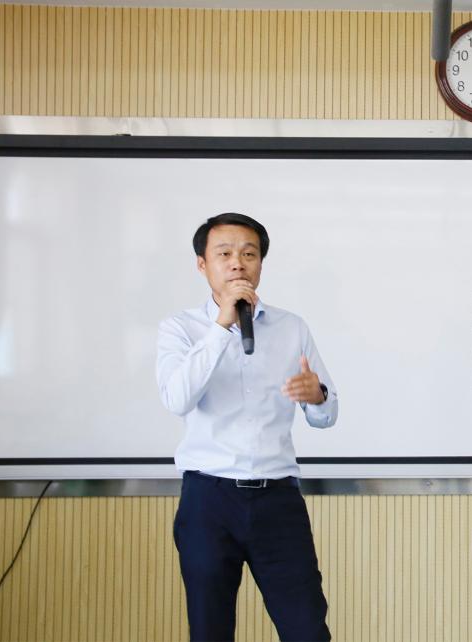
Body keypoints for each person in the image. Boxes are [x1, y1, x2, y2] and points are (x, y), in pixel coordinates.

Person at [156, 212, 337, 642]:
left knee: (307, 629)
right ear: (203, 264)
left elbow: (327, 415)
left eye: (249, 254)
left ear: (260, 264)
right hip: (208, 500)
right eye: (225, 254)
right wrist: (222, 326)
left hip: (278, 500)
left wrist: (318, 396)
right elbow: (178, 399)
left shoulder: (292, 327)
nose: (238, 263)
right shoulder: (180, 329)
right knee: (210, 630)